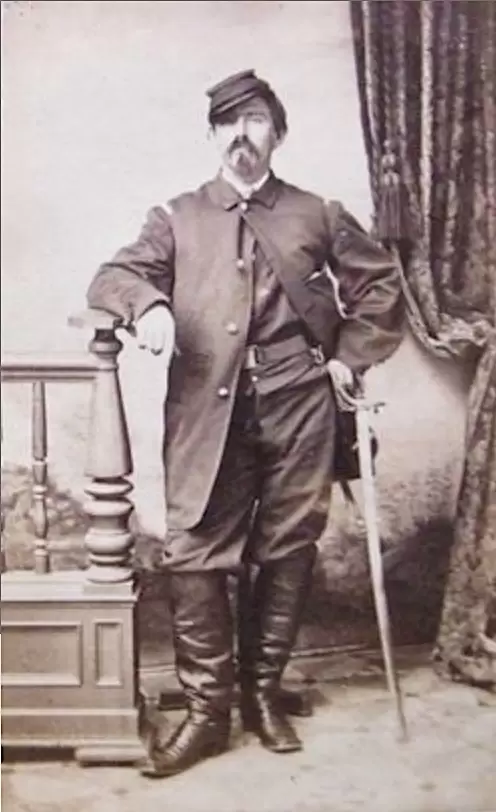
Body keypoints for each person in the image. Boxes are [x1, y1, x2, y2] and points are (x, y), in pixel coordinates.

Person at [87, 69, 404, 778]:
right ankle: (207, 714)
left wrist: (348, 359)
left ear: (277, 133)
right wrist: (150, 305)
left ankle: (262, 696)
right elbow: (111, 277)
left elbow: (381, 286)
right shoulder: (175, 217)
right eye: (228, 122)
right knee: (196, 544)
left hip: (300, 400)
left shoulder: (317, 213)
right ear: (212, 136)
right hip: (208, 403)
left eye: (255, 120)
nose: (241, 134)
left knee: (288, 542)